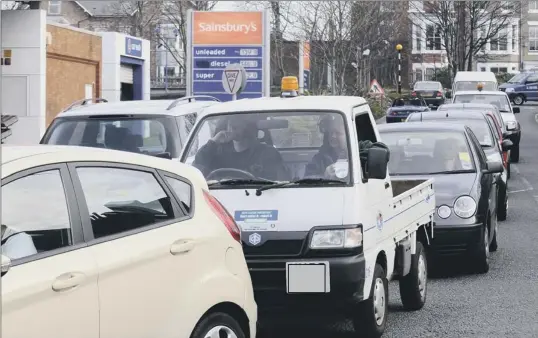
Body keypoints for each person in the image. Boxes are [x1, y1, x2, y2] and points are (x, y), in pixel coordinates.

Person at [193, 115, 288, 181]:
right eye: (230, 124)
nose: (232, 128)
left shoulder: (267, 153)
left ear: (248, 128)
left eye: (238, 124)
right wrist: (213, 142)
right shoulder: (217, 152)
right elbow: (198, 165)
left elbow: (278, 183)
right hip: (220, 196)